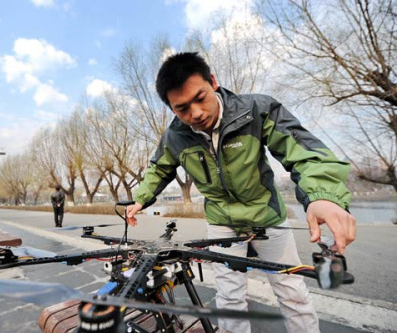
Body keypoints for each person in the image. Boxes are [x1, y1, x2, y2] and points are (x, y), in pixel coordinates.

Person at [126, 52, 356, 333]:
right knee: (229, 297)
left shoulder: (257, 109)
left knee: (291, 291)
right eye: (182, 109)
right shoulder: (174, 136)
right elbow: (158, 169)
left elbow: (304, 152)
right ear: (172, 109)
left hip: (267, 216)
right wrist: (140, 199)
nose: (195, 113)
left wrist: (322, 196)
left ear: (213, 82)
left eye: (200, 98)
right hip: (222, 222)